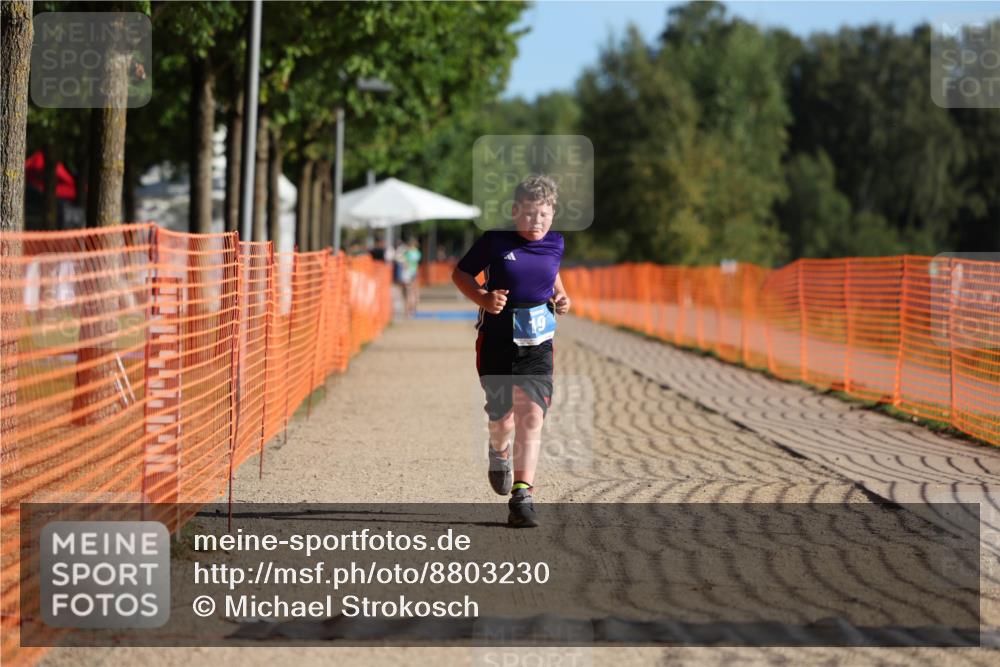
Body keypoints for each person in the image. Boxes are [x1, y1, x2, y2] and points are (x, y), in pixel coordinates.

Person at [451, 174, 571, 527]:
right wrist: (483, 298)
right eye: (530, 214)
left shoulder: (556, 242)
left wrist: (561, 295)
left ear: (553, 214)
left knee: (531, 416)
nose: (537, 222)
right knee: (502, 420)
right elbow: (460, 274)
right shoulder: (495, 241)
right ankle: (498, 450)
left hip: (538, 345)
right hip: (498, 342)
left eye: (544, 215)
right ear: (516, 211)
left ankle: (522, 496)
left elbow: (551, 273)